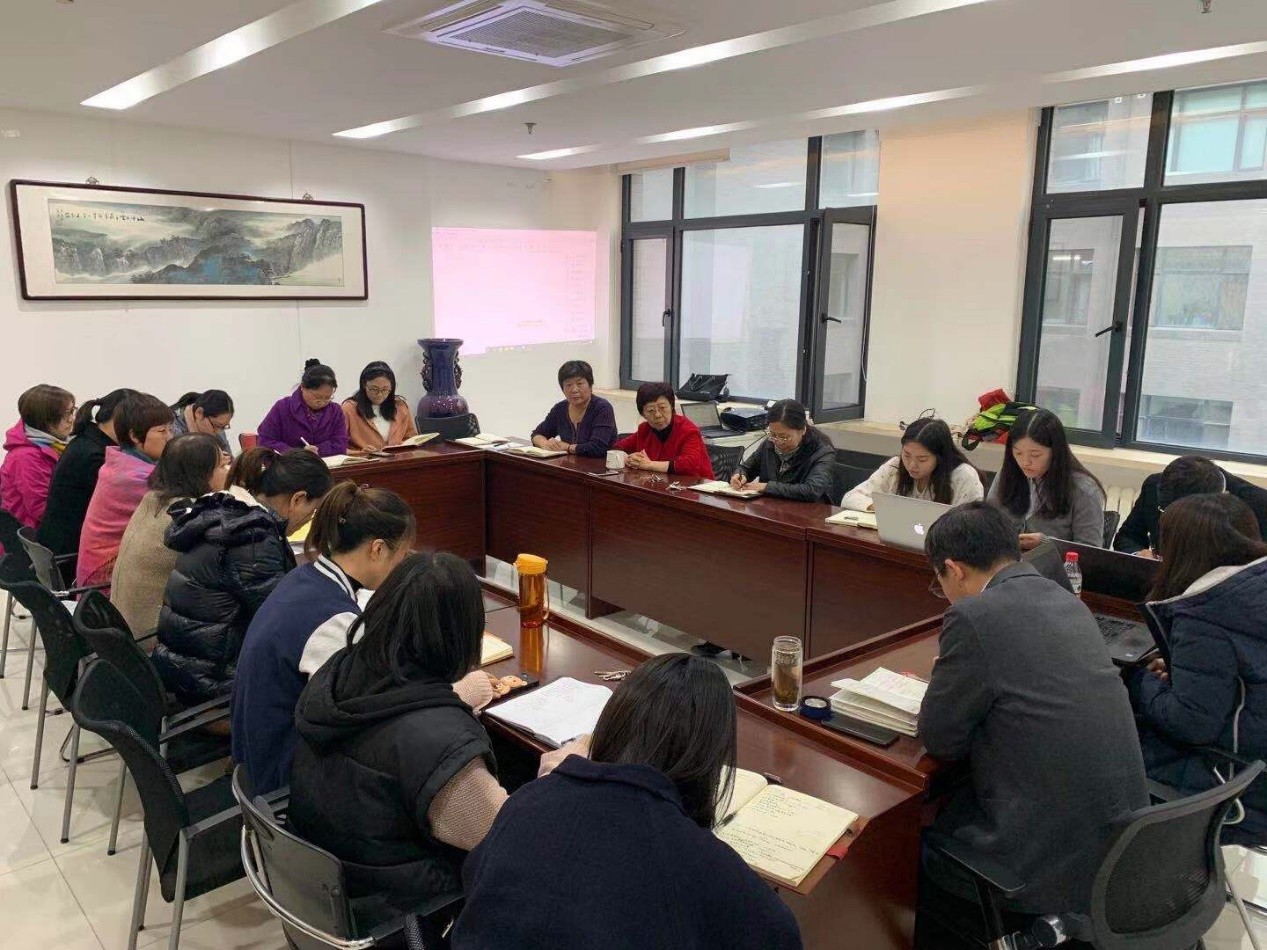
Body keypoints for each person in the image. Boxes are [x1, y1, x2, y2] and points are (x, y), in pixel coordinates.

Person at [453, 653, 802, 950]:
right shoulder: (700, 862)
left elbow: (477, 880)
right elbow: (779, 933)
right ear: (708, 762)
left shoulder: (528, 799)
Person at [917, 502, 1147, 927]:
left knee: (911, 844)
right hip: (1120, 853)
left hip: (1040, 865)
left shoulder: (973, 615)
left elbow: (942, 740)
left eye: (939, 580)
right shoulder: (1067, 600)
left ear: (954, 569)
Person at [289, 553, 514, 927]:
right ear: (463, 634)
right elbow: (509, 843)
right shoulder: (440, 748)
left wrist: (453, 697)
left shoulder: (337, 674)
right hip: (412, 920)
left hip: (340, 891)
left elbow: (390, 722)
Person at [231, 482, 417, 792]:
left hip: (255, 752)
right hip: (282, 777)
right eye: (402, 554)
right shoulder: (334, 622)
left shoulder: (303, 577)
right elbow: (367, 712)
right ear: (377, 549)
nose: (403, 564)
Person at [1130, 494, 1267, 844]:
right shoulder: (1254, 585)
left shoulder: (1206, 613)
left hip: (1238, 782)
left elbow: (1190, 724)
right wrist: (1185, 670)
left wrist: (1140, 679)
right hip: (1256, 755)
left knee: (1104, 745)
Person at [152, 448, 332, 709]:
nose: (308, 520)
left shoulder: (228, 514)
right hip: (215, 685)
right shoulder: (251, 539)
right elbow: (285, 619)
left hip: (188, 668)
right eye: (312, 511)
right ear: (298, 499)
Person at [109, 434, 229, 641]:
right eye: (222, 466)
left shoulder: (154, 498)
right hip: (153, 639)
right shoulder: (189, 518)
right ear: (200, 473)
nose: (228, 471)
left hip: (124, 632)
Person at [76, 394, 175, 588]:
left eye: (170, 429)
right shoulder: (136, 478)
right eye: (162, 431)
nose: (170, 437)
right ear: (135, 436)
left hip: (101, 568)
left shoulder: (121, 462)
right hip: (106, 580)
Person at [986, 407, 1106, 550]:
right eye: (1018, 453)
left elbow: (1091, 551)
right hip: (1005, 561)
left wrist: (1047, 544)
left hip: (1053, 564)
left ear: (1055, 452)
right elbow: (987, 524)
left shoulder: (1083, 490)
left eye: (1035, 455)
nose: (1025, 462)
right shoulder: (1007, 475)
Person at [37, 388, 137, 557]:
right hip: (71, 552)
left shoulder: (85, 441)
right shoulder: (97, 456)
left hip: (57, 546)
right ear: (121, 420)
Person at [1114, 455, 1267, 556]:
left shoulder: (1259, 505)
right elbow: (1127, 537)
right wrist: (1139, 554)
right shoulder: (1155, 486)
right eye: (1164, 511)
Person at [842, 417, 982, 511]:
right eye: (907, 455)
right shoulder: (895, 467)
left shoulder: (964, 476)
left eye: (922, 459)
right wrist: (884, 510)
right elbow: (850, 498)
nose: (912, 465)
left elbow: (970, 527)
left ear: (940, 457)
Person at [729, 399, 835, 503]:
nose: (778, 442)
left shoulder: (822, 452)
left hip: (808, 511)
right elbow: (746, 468)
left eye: (784, 437)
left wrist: (766, 487)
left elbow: (811, 490)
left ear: (803, 430)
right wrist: (739, 475)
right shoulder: (769, 443)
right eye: (773, 435)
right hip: (771, 507)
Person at [0, 384, 76, 530]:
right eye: (65, 414)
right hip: (32, 536)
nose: (71, 419)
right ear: (44, 419)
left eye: (72, 411)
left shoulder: (57, 444)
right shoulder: (25, 457)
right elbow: (42, 510)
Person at [611, 382, 713, 478]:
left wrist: (649, 465)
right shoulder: (644, 429)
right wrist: (628, 459)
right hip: (659, 485)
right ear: (643, 414)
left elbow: (689, 464)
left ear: (672, 406)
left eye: (663, 408)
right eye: (651, 411)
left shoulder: (688, 430)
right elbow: (617, 447)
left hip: (697, 487)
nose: (657, 415)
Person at [257, 359, 349, 457]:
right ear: (303, 387)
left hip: (325, 464)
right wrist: (297, 452)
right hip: (289, 464)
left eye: (327, 397)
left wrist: (319, 449)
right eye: (317, 396)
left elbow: (341, 444)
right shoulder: (283, 407)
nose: (322, 402)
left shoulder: (335, 411)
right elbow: (265, 440)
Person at [530, 360, 616, 458]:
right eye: (568, 385)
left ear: (590, 385)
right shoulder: (560, 408)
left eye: (580, 384)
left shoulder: (602, 408)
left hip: (599, 465)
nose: (574, 390)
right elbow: (537, 434)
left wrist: (568, 448)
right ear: (563, 389)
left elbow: (597, 447)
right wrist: (545, 444)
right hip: (570, 465)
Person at [341, 361, 419, 450]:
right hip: (364, 458)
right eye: (374, 389)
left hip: (397, 457)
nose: (379, 394)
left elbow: (411, 439)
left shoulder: (400, 407)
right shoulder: (349, 409)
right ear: (364, 385)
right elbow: (338, 446)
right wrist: (361, 452)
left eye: (385, 389)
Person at [170, 390, 234, 455]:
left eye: (223, 427)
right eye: (217, 426)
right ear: (199, 413)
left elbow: (229, 457)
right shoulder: (172, 429)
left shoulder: (218, 428)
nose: (218, 432)